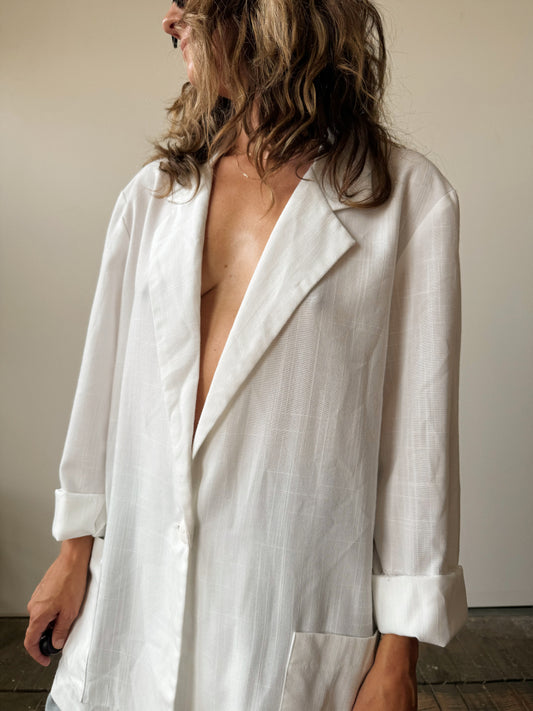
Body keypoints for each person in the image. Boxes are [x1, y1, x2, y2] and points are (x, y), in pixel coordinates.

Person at [24, 0, 468, 709]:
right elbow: (102, 389)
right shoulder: (154, 196)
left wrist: (397, 657)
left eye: (190, 2)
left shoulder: (404, 201)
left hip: (281, 616)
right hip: (133, 606)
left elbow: (418, 447)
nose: (170, 19)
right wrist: (73, 551)